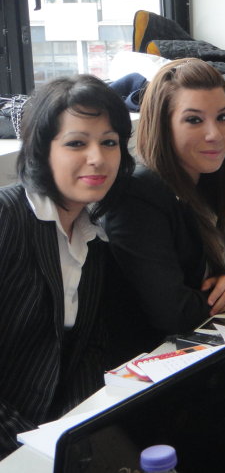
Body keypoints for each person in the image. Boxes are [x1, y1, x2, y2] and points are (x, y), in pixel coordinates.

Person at [104, 58, 225, 365]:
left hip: (202, 349)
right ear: (163, 126)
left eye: (223, 117)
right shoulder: (138, 194)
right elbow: (175, 314)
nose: (215, 134)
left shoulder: (203, 180)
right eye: (194, 120)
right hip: (155, 366)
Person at [0, 75, 135, 458]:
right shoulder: (7, 218)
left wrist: (78, 434)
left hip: (52, 435)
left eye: (109, 142)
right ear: (42, 150)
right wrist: (32, 448)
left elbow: (86, 352)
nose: (98, 158)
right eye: (76, 143)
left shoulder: (93, 236)